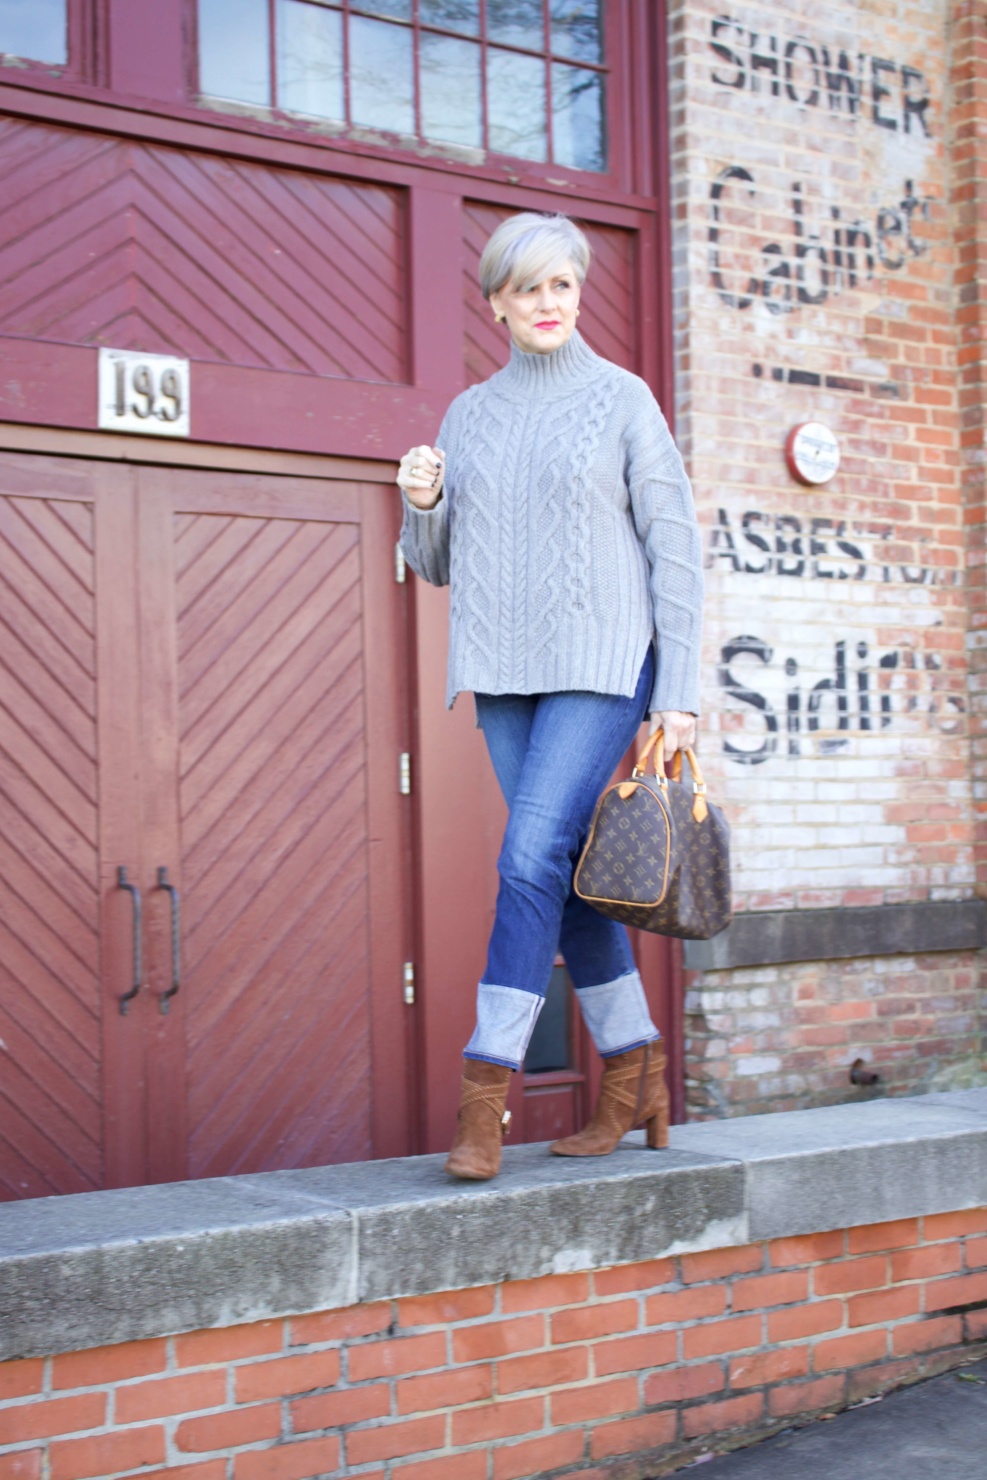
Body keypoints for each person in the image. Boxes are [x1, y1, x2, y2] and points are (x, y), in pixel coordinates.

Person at [397, 211, 703, 1181]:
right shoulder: (468, 415)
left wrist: (681, 694)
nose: (546, 303)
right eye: (527, 288)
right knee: (567, 873)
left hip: (603, 667)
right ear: (496, 303)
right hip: (504, 673)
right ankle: (636, 1074)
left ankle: (483, 1098)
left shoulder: (622, 400)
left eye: (561, 284)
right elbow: (435, 565)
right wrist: (422, 504)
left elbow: (676, 548)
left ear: (578, 293)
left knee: (529, 855)